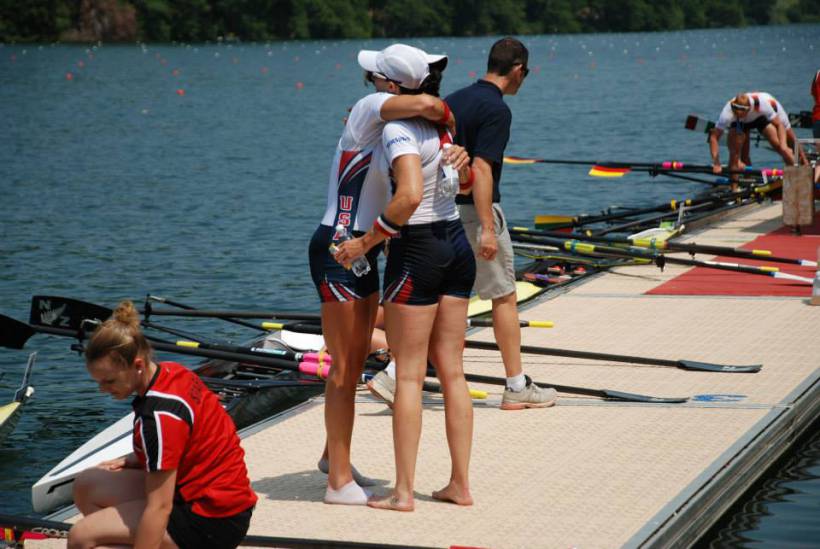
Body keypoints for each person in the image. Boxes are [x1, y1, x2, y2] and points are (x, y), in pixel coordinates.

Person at [308, 43, 457, 505]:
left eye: (375, 76)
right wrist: (446, 122)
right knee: (344, 369)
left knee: (352, 367)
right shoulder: (370, 109)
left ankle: (334, 460)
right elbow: (434, 104)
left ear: (391, 84)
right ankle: (337, 484)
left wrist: (454, 150)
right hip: (338, 246)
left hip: (365, 248)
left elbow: (428, 114)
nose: (368, 83)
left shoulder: (395, 128)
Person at [68, 301, 256, 549]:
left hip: (211, 519)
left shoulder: (157, 416)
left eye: (109, 381)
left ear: (137, 365)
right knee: (87, 485)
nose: (104, 390)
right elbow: (190, 442)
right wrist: (139, 458)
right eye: (99, 383)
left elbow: (160, 507)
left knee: (81, 536)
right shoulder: (172, 371)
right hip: (218, 499)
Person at [449, 37, 557, 410]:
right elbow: (481, 169)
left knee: (444, 299)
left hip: (441, 212)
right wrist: (488, 228)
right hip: (476, 213)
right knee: (503, 297)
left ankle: (399, 374)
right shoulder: (496, 110)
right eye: (525, 73)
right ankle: (515, 387)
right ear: (517, 70)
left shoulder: (454, 99)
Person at [709, 92, 799, 184]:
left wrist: (784, 146)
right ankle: (737, 187)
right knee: (734, 155)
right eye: (737, 113)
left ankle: (798, 175)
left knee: (779, 146)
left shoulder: (761, 104)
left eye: (742, 113)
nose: (739, 114)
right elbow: (714, 137)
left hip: (759, 118)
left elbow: (779, 125)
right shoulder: (728, 113)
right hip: (739, 123)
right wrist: (716, 162)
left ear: (749, 109)